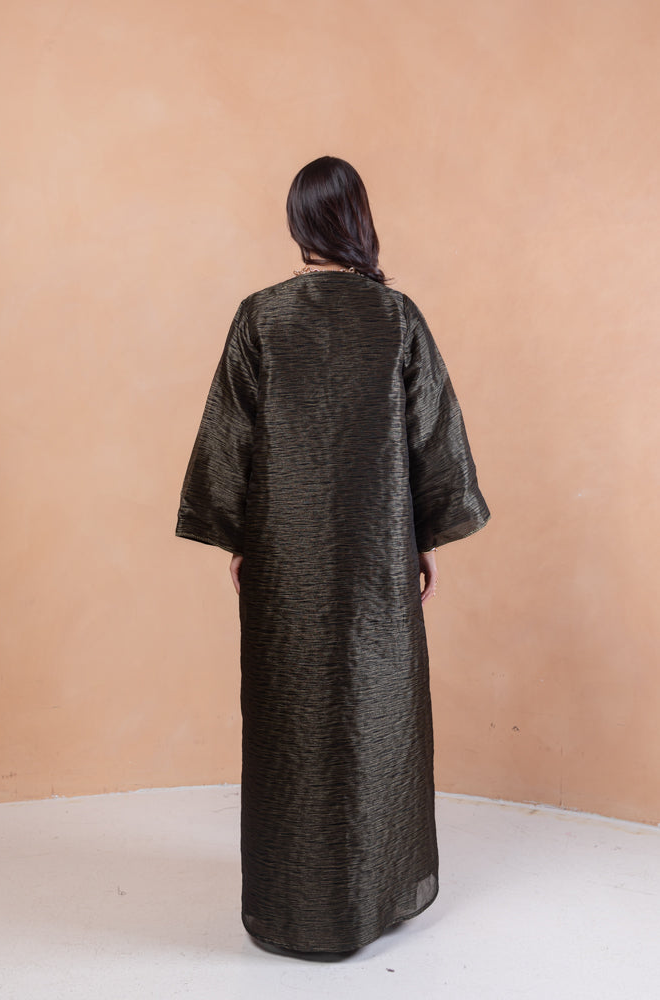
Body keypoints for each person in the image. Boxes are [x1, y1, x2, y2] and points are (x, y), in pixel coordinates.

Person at [175, 155, 490, 960]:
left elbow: (229, 438)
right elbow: (432, 440)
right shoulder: (395, 317)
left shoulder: (261, 317)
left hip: (284, 559)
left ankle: (292, 903)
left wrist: (239, 539)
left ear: (297, 222)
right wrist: (421, 540)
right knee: (377, 713)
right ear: (358, 220)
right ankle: (376, 892)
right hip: (375, 558)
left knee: (289, 718)